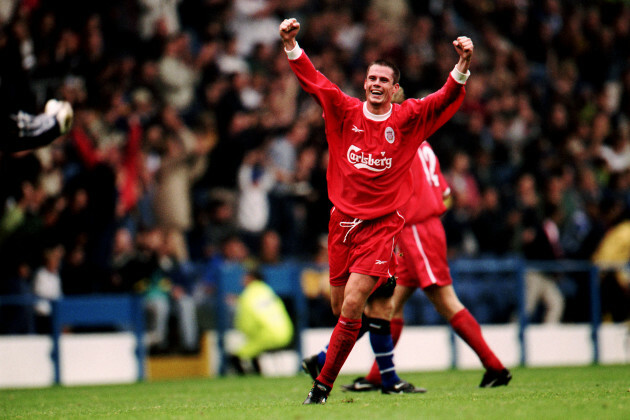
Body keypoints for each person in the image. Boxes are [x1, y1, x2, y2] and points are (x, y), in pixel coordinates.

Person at [278, 17, 473, 404]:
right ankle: (358, 362)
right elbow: (314, 79)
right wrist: (290, 45)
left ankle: (321, 387)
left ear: (395, 89)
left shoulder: (407, 120)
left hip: (382, 227)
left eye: (384, 80)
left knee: (353, 302)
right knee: (344, 309)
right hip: (341, 224)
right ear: (364, 83)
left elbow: (444, 98)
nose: (376, 84)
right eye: (372, 79)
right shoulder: (344, 111)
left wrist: (462, 66)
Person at [338, 140, 511, 391]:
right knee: (391, 306)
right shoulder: (424, 143)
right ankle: (377, 377)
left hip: (417, 230)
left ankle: (495, 367)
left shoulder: (397, 140)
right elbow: (446, 195)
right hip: (419, 229)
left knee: (445, 301)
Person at [229, 270, 294, 374]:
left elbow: (244, 322)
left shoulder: (248, 294)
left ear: (251, 279)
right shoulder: (267, 290)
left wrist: (245, 332)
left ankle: (247, 379)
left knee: (235, 356)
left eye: (244, 277)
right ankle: (258, 374)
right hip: (286, 332)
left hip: (266, 334)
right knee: (253, 351)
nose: (241, 280)